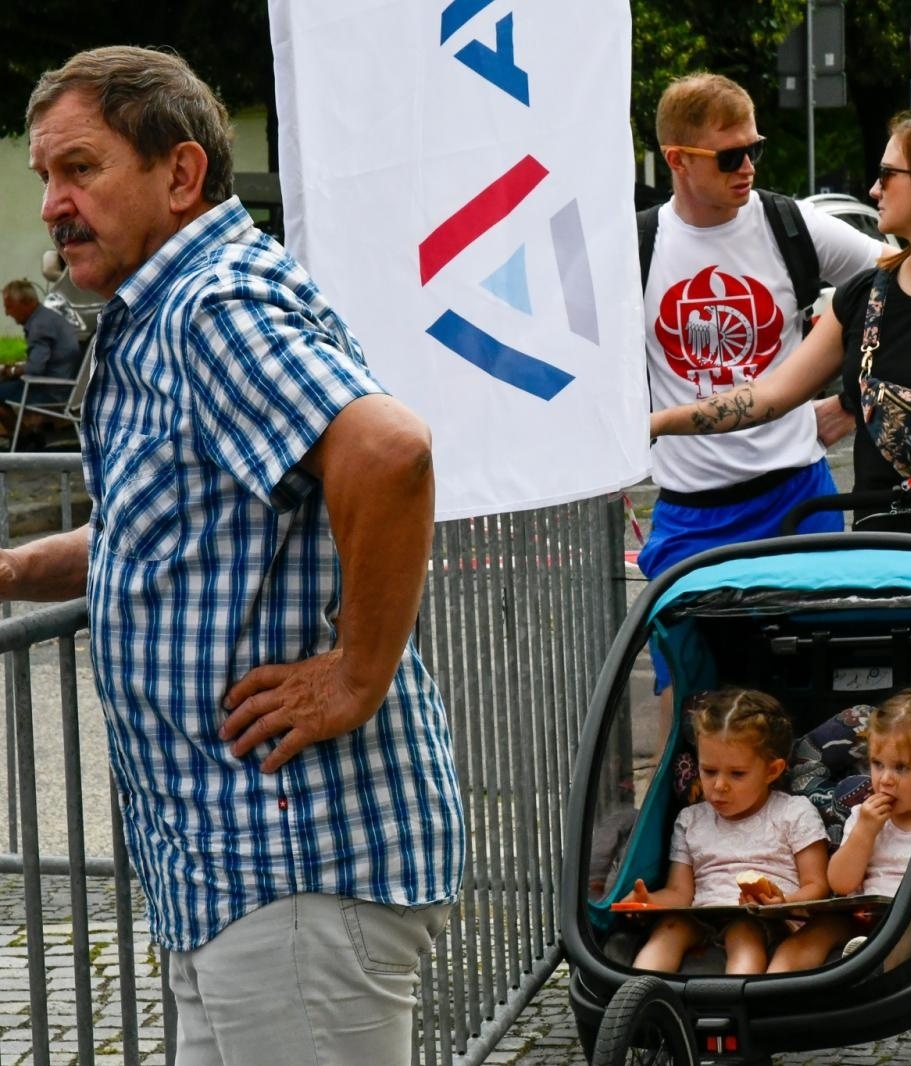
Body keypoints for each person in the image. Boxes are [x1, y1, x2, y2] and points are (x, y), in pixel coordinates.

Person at [11, 46, 464, 1064]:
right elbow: (168, 529)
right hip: (236, 867)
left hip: (290, 858)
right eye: (47, 177)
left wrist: (357, 673)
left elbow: (391, 454)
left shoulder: (212, 306)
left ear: (179, 175)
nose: (53, 204)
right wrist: (9, 570)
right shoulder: (177, 305)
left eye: (79, 169)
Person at [650, 113, 911, 636]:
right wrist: (659, 422)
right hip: (886, 544)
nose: (873, 189)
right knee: (890, 705)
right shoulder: (866, 294)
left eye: (888, 175)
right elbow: (770, 396)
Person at [640, 72, 890, 739]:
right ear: (677, 160)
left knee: (822, 685)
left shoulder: (789, 224)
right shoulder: (636, 249)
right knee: (687, 690)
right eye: (729, 156)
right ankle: (682, 826)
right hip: (691, 514)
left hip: (795, 500)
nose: (747, 166)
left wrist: (848, 401)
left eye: (755, 148)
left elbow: (905, 283)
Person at [769, 688, 911, 973]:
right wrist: (865, 833)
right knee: (811, 934)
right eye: (877, 764)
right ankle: (780, 982)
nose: (885, 780)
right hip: (863, 915)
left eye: (901, 768)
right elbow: (841, 883)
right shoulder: (862, 815)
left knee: (909, 928)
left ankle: (870, 971)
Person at [625, 688, 829, 974]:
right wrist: (648, 901)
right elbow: (680, 893)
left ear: (772, 771)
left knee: (743, 931)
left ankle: (738, 1001)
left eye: (737, 774)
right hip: (703, 914)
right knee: (668, 928)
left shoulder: (793, 813)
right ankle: (640, 995)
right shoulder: (691, 819)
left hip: (767, 917)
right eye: (708, 771)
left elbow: (818, 886)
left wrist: (783, 901)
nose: (719, 785)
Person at [0, 278, 81, 429]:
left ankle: (22, 440)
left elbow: (35, 369)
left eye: (9, 307)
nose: (7, 313)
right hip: (63, 386)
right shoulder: (48, 317)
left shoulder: (39, 326)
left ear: (27, 303)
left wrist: (10, 371)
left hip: (50, 392)